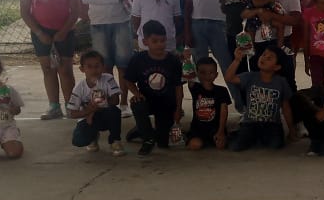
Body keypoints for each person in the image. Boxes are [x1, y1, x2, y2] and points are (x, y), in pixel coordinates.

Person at [19, 0, 81, 117]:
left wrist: (64, 31)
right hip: (41, 33)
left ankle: (71, 106)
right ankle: (54, 107)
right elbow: (24, 12)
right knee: (48, 69)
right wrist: (39, 33)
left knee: (65, 70)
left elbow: (75, 10)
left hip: (65, 31)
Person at [80, 0, 135, 116]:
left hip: (121, 20)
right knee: (104, 66)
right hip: (98, 22)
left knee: (124, 64)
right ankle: (111, 103)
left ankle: (124, 103)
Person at [125, 20, 184, 156]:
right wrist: (136, 93)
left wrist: (178, 108)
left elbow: (178, 87)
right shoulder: (138, 59)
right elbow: (128, 80)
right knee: (137, 103)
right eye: (155, 41)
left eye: (162, 41)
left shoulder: (173, 60)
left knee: (163, 143)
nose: (159, 44)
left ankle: (142, 130)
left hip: (166, 104)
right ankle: (147, 138)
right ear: (145, 42)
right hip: (147, 101)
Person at [224, 45, 294, 151]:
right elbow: (229, 78)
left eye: (269, 58)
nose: (264, 58)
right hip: (250, 123)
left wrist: (292, 130)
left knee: (275, 144)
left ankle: (256, 138)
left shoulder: (281, 82)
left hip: (272, 124)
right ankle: (243, 134)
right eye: (263, 55)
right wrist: (237, 60)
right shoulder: (250, 77)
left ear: (277, 67)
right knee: (236, 146)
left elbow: (286, 108)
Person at [183, 0, 234, 86]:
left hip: (219, 26)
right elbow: (187, 8)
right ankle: (200, 96)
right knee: (200, 64)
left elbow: (228, 8)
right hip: (197, 26)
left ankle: (237, 98)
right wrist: (187, 32)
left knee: (226, 62)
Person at [67, 49, 124, 156]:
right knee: (78, 140)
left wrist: (103, 99)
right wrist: (89, 111)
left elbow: (116, 101)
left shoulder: (108, 79)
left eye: (97, 66)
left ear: (103, 67)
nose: (94, 70)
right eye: (89, 66)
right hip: (88, 118)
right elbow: (72, 113)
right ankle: (93, 137)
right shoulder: (79, 88)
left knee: (115, 112)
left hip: (105, 114)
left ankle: (115, 141)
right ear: (82, 69)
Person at [186, 57, 231, 150]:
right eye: (203, 72)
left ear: (216, 74)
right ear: (197, 74)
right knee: (195, 145)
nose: (207, 76)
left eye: (211, 73)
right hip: (198, 129)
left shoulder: (222, 90)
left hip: (215, 128)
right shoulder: (195, 87)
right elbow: (189, 75)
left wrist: (221, 131)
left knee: (221, 145)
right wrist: (187, 60)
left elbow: (224, 112)